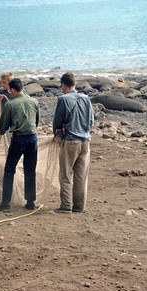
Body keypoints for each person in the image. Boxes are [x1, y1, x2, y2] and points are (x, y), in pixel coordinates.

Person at [53, 71, 94, 213]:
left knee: (65, 174)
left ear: (63, 85)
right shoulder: (86, 98)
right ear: (75, 84)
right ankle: (79, 206)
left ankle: (66, 205)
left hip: (71, 141)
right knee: (81, 176)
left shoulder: (63, 99)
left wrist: (57, 137)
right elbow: (91, 121)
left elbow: (57, 123)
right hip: (85, 141)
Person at [0, 78, 40, 211]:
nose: (10, 93)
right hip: (32, 139)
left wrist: (0, 131)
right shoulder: (34, 101)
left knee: (9, 171)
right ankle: (30, 202)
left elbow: (3, 126)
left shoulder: (10, 104)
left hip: (18, 140)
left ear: (14, 90)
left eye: (10, 91)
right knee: (30, 171)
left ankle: (5, 204)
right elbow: (37, 122)